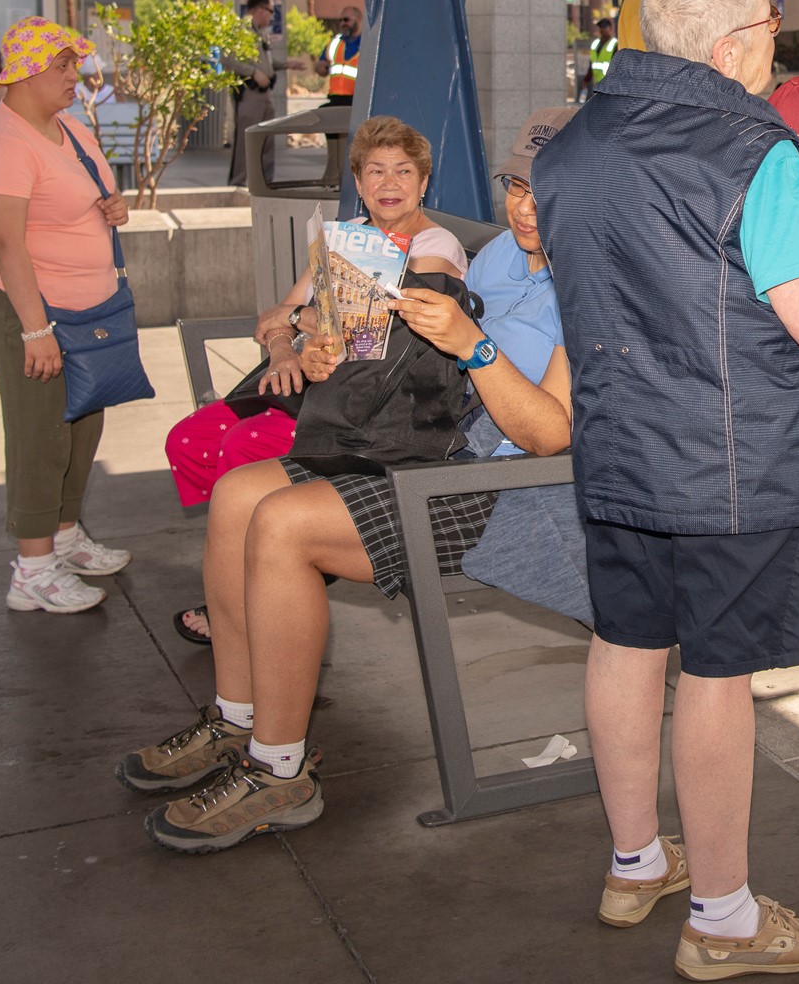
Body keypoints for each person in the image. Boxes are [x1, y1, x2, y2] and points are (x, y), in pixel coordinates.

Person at [119, 109, 584, 851]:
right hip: (430, 437)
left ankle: (280, 771)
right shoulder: (501, 256)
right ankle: (237, 719)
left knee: (281, 525)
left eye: (547, 189)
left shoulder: (588, 284)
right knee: (240, 493)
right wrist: (324, 343)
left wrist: (475, 345)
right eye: (517, 185)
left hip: (499, 484)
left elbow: (550, 434)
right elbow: (398, 344)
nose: (527, 206)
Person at [538, 0, 799, 978]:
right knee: (720, 676)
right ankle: (723, 918)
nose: (780, 39)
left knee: (626, 642)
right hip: (736, 466)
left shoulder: (570, 147)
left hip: (622, 453)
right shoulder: (755, 154)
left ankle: (636, 861)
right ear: (732, 46)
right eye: (773, 21)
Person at [165, 114, 469, 645]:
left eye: (403, 171)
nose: (389, 184)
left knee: (244, 444)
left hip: (373, 403)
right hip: (314, 380)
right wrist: (284, 351)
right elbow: (275, 314)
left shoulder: (433, 247)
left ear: (423, 183)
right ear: (358, 183)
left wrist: (302, 325)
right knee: (189, 439)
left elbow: (387, 317)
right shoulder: (345, 239)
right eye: (376, 171)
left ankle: (254, 591)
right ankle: (245, 574)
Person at [0, 17, 133, 613]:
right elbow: (9, 246)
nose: (76, 75)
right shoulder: (4, 145)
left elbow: (86, 195)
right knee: (41, 434)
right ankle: (32, 569)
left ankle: (64, 536)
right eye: (63, 65)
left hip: (83, 306)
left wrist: (111, 208)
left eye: (74, 63)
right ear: (28, 71)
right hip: (30, 310)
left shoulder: (68, 129)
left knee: (82, 424)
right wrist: (35, 331)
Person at [227, 0, 288, 187]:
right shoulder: (240, 31)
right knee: (247, 141)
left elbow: (266, 62)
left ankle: (265, 183)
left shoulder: (261, 32)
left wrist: (286, 65)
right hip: (249, 94)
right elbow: (227, 59)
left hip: (266, 94)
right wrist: (253, 72)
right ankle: (239, 183)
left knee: (267, 140)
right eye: (270, 11)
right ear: (259, 9)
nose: (272, 16)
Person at [314, 3, 363, 105]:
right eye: (340, 20)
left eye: (346, 20)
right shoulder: (335, 42)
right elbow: (321, 64)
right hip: (335, 99)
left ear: (358, 19)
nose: (342, 24)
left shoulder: (368, 44)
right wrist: (319, 67)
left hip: (357, 101)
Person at [582, 16, 618, 95]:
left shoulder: (615, 44)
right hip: (598, 83)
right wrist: (586, 81)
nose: (602, 29)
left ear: (610, 29)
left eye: (605, 27)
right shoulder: (595, 44)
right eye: (600, 27)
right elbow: (592, 64)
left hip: (610, 84)